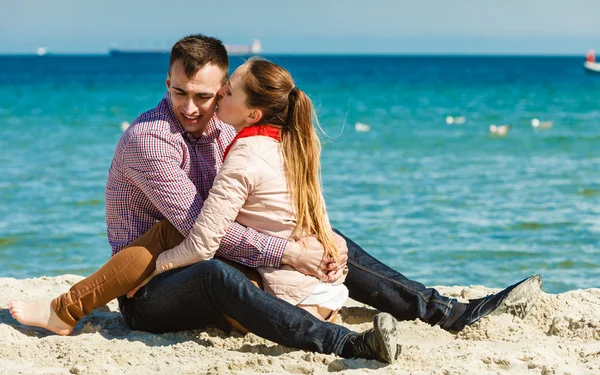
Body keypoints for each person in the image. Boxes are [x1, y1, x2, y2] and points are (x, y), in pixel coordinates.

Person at [9, 34, 541, 364]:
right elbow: (201, 233)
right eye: (179, 92)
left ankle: (444, 311)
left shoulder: (225, 131)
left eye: (205, 96)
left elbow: (252, 215)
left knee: (332, 240)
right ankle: (343, 346)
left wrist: (314, 243)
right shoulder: (149, 141)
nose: (191, 107)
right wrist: (290, 253)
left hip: (219, 259)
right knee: (222, 270)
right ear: (166, 81)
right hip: (153, 290)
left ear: (223, 94)